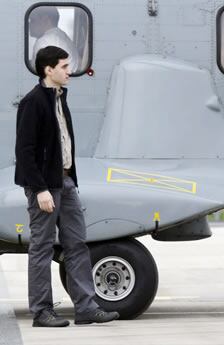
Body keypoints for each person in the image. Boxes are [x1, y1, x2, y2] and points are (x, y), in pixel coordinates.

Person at [15, 46, 119, 327]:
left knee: (77, 244)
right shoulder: (33, 102)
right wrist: (39, 190)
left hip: (66, 181)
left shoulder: (60, 98)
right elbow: (24, 152)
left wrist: (67, 178)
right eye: (63, 66)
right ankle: (42, 311)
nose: (68, 70)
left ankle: (86, 307)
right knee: (42, 248)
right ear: (48, 70)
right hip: (45, 186)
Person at [30, 7, 81, 73]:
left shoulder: (45, 41)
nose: (29, 24)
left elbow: (44, 75)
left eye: (32, 20)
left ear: (45, 19)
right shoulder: (61, 36)